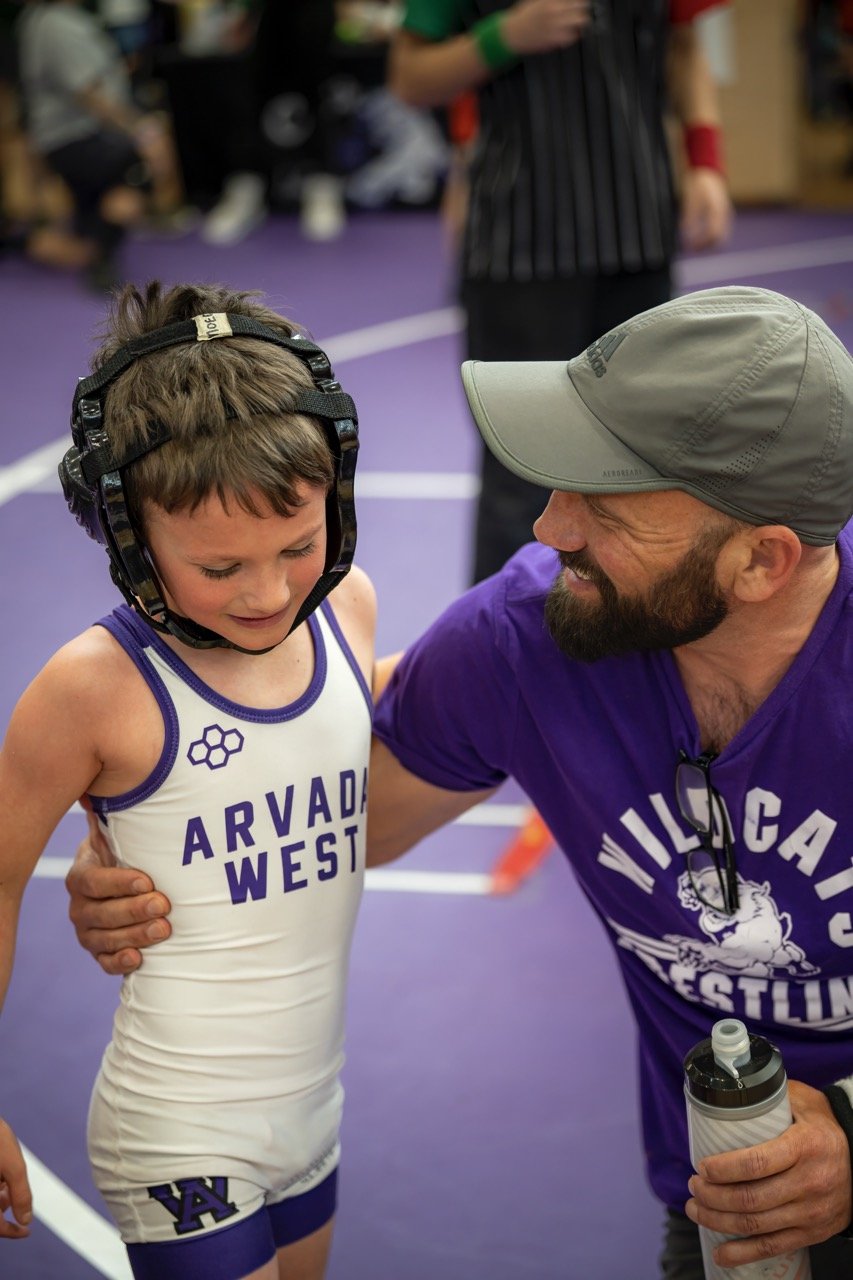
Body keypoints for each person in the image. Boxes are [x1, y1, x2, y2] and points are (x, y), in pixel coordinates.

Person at [65, 286, 853, 1278]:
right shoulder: (531, 634)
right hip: (724, 1203)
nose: (547, 523)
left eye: (602, 507)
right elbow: (360, 813)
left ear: (760, 560)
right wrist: (147, 854)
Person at [0, 280, 377, 1280]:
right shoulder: (94, 686)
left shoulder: (348, 613)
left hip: (317, 1105)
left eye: (299, 545)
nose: (268, 591)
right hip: (180, 1126)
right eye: (219, 568)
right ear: (125, 535)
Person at [388, 0, 733, 585]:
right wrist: (504, 37)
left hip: (639, 236)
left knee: (644, 462)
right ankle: (500, 657)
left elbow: (682, 43)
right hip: (521, 246)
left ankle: (634, 636)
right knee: (520, 471)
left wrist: (705, 161)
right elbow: (410, 78)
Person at [16, 0, 182, 288]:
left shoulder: (43, 18)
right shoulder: (58, 23)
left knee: (97, 194)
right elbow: (88, 93)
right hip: (74, 137)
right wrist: (141, 130)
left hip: (66, 136)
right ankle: (99, 254)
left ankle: (76, 238)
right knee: (139, 167)